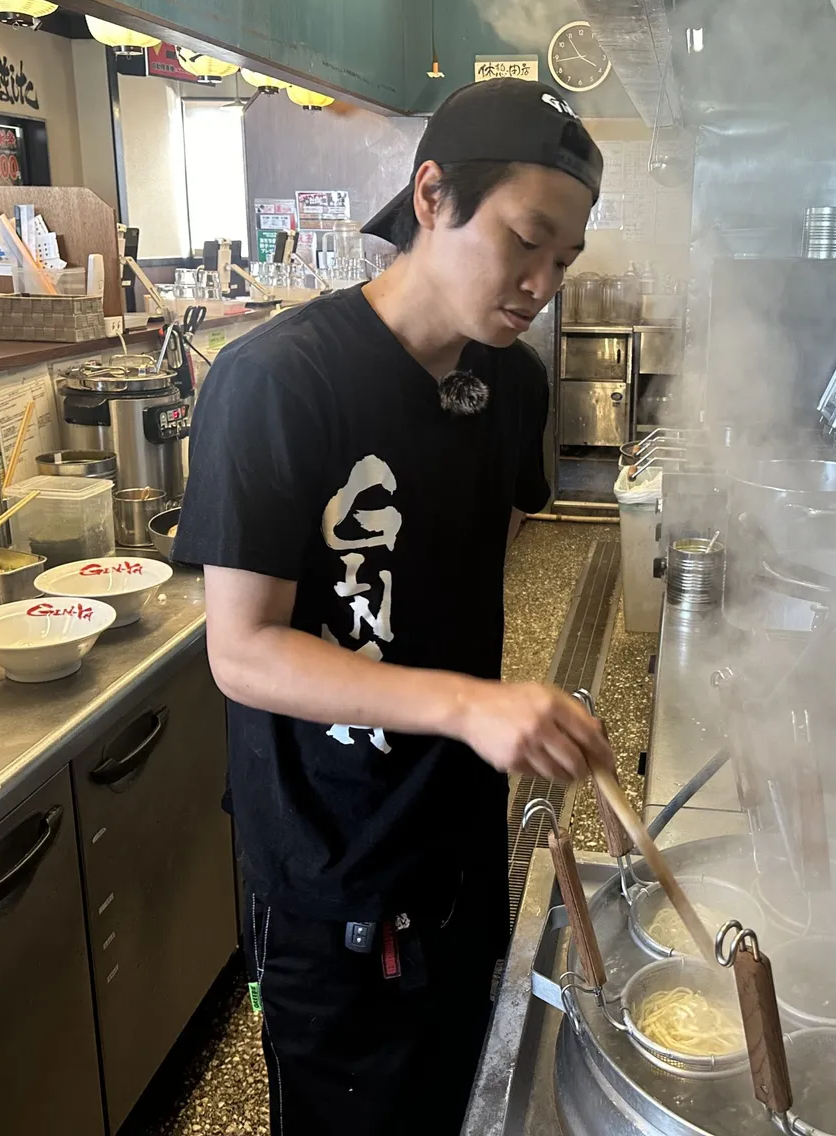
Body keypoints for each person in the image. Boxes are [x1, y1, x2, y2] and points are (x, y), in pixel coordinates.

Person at [171, 78, 612, 1135]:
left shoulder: (512, 385)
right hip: (333, 874)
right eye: (524, 242)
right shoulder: (277, 380)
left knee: (458, 1104)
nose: (541, 284)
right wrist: (468, 704)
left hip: (457, 842)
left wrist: (482, 711)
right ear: (430, 196)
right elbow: (242, 651)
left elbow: (466, 568)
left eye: (563, 261)